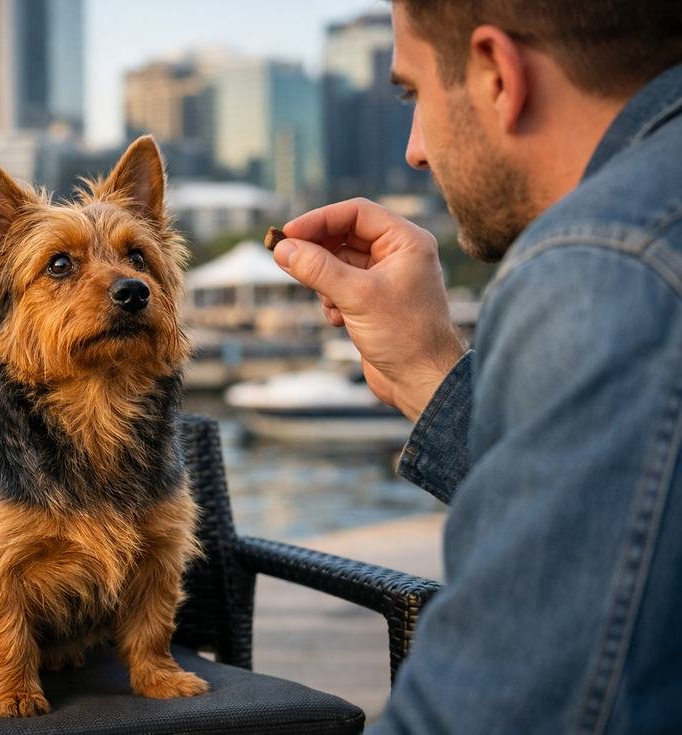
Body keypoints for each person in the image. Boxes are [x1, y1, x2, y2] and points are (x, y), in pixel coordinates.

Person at [272, 1, 682, 732]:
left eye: (414, 94)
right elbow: (635, 539)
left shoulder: (604, 268)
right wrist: (430, 372)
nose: (415, 150)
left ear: (497, 72)